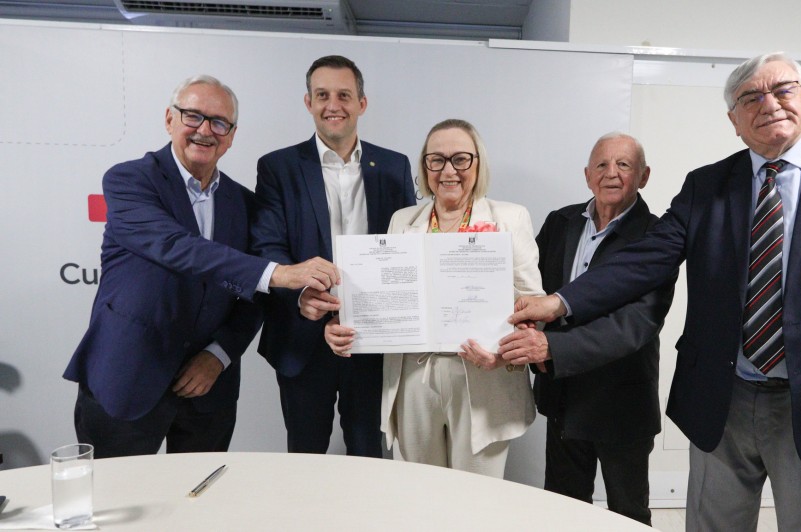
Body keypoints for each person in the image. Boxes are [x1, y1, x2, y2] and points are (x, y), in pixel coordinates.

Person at [507, 52, 801, 531]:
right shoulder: (706, 185)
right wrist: (559, 301)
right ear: (734, 120)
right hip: (721, 400)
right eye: (750, 97)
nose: (769, 103)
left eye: (783, 89)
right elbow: (645, 260)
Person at [64, 75, 338, 458]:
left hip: (210, 389)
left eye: (219, 122)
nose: (205, 130)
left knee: (199, 505)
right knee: (114, 507)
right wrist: (279, 273)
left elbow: (252, 297)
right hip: (127, 377)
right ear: (169, 119)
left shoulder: (245, 203)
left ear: (231, 134)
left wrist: (220, 354)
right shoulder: (129, 180)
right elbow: (177, 248)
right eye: (193, 116)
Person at [325, 119, 543, 477]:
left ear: (478, 163)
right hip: (413, 375)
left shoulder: (509, 218)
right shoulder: (402, 220)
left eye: (460, 159)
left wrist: (504, 354)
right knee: (419, 496)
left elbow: (532, 302)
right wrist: (346, 324)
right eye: (436, 160)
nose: (448, 171)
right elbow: (384, 296)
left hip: (483, 377)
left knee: (476, 500)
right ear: (425, 167)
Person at [498, 133, 675, 524]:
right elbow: (533, 289)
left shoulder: (658, 237)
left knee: (627, 514)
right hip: (562, 394)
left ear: (644, 176)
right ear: (586, 175)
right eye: (601, 165)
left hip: (621, 401)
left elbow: (635, 325)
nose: (611, 174)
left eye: (624, 165)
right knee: (563, 509)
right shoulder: (560, 222)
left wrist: (550, 348)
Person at [252, 55, 416, 456]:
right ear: (308, 102)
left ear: (362, 103)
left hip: (372, 341)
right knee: (307, 457)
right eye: (322, 95)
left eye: (344, 95)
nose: (333, 105)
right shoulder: (278, 167)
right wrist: (301, 297)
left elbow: (407, 251)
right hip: (303, 340)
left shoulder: (394, 166)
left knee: (370, 456)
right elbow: (268, 246)